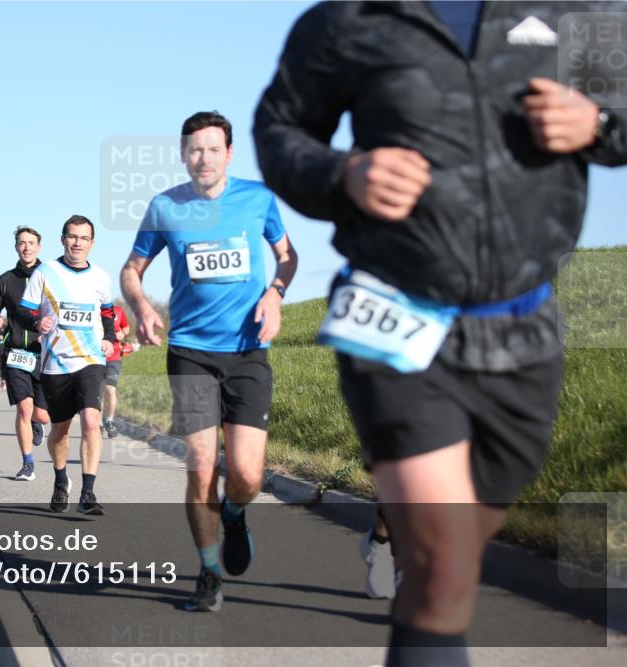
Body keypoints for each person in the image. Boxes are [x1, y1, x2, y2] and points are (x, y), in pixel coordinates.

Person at [253, 2, 625, 664]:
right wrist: (345, 174)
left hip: (524, 328)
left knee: (447, 576)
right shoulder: (348, 19)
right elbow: (279, 127)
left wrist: (599, 121)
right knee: (443, 567)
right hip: (397, 318)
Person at [121, 111, 298, 612]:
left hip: (246, 352)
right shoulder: (165, 207)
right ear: (183, 154)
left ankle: (236, 514)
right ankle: (209, 571)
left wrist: (276, 296)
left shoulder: (258, 199)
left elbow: (287, 257)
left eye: (213, 149)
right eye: (194, 149)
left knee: (246, 475)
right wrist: (141, 308)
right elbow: (132, 270)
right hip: (191, 353)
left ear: (229, 154)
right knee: (201, 468)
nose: (203, 158)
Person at [16, 215, 116, 514]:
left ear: (92, 243)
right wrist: (37, 321)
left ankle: (88, 492)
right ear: (63, 239)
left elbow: (108, 312)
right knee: (59, 431)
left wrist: (109, 337)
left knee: (90, 422)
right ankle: (61, 481)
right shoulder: (45, 273)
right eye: (72, 236)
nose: (77, 242)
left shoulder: (101, 277)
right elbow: (23, 312)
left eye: (84, 238)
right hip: (55, 364)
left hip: (90, 361)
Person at [0, 227, 52, 482]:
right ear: (16, 247)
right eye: (22, 243)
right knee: (23, 408)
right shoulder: (5, 280)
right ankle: (28, 463)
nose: (27, 247)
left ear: (39, 247)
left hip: (44, 353)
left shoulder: (50, 276)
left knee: (41, 414)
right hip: (15, 353)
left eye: (31, 243)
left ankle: (37, 420)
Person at [101, 304, 130, 438]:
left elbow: (126, 328)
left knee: (110, 390)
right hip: (96, 356)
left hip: (114, 356)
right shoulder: (93, 308)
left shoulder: (118, 310)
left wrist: (122, 333)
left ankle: (109, 421)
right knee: (98, 391)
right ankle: (98, 423)